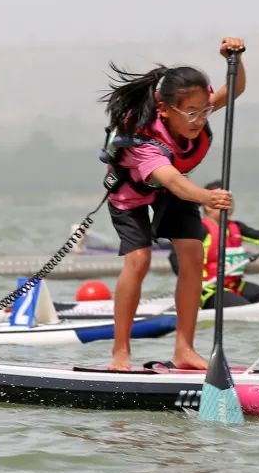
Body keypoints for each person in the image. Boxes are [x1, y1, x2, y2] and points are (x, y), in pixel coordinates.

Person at [100, 36, 246, 371]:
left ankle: (184, 350)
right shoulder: (144, 139)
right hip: (131, 194)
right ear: (165, 111)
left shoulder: (193, 109)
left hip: (175, 190)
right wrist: (209, 197)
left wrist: (234, 61)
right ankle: (120, 353)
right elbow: (173, 181)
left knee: (193, 255)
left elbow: (234, 90)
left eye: (205, 110)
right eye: (192, 113)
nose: (200, 119)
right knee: (139, 260)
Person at [173, 180, 259, 309]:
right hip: (208, 290)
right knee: (246, 307)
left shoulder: (236, 227)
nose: (230, 206)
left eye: (230, 201)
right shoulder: (200, 229)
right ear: (208, 206)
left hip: (235, 285)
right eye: (224, 201)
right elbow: (174, 256)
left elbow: (257, 236)